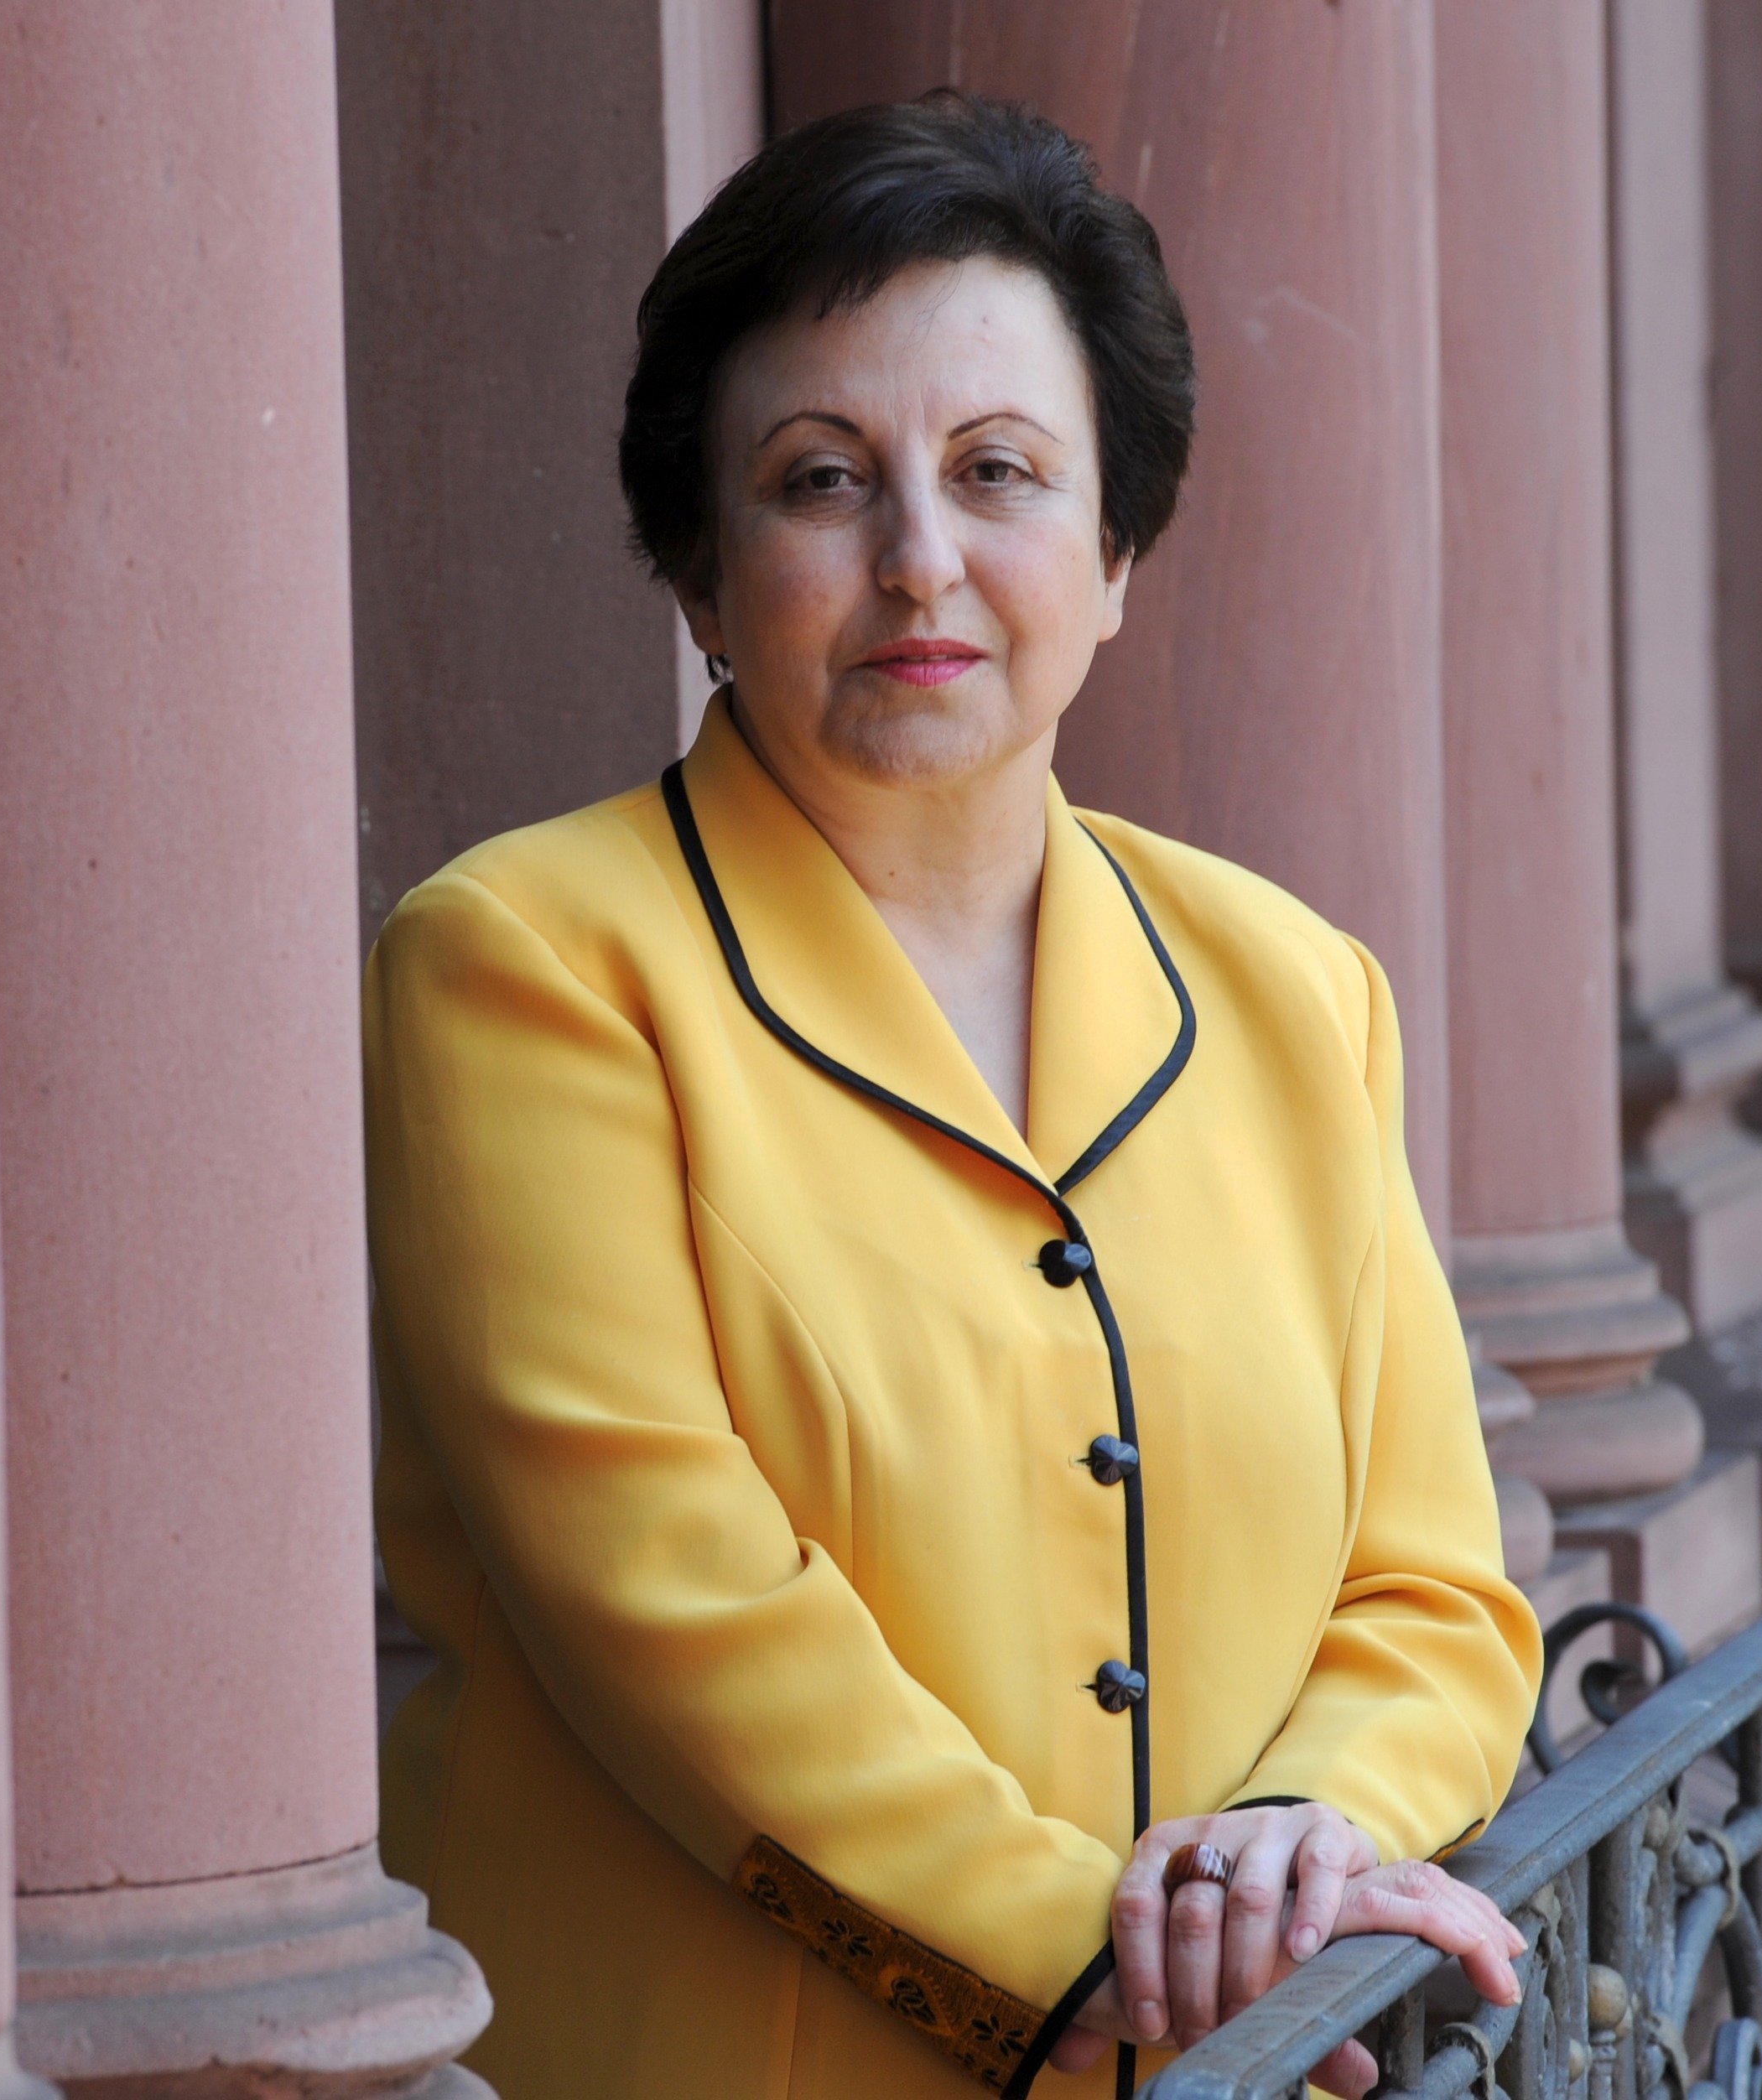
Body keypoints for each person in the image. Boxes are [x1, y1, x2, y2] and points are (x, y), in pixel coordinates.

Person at [364, 93, 1541, 2100]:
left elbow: (1433, 1593)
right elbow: (678, 1615)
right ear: (701, 574)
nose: (923, 561)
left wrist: (1296, 1848)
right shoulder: (530, 965)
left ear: (1114, 546)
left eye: (999, 471)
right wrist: (1109, 1961)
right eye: (822, 483)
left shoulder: (1292, 984)